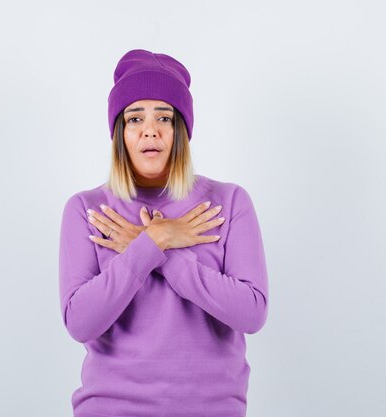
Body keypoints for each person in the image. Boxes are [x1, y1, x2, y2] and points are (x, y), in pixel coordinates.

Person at [58, 48, 269, 417]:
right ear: (120, 131)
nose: (150, 129)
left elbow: (251, 313)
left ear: (181, 130)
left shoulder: (228, 202)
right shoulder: (87, 209)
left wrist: (162, 251)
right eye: (135, 117)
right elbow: (80, 323)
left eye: (165, 118)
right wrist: (153, 242)